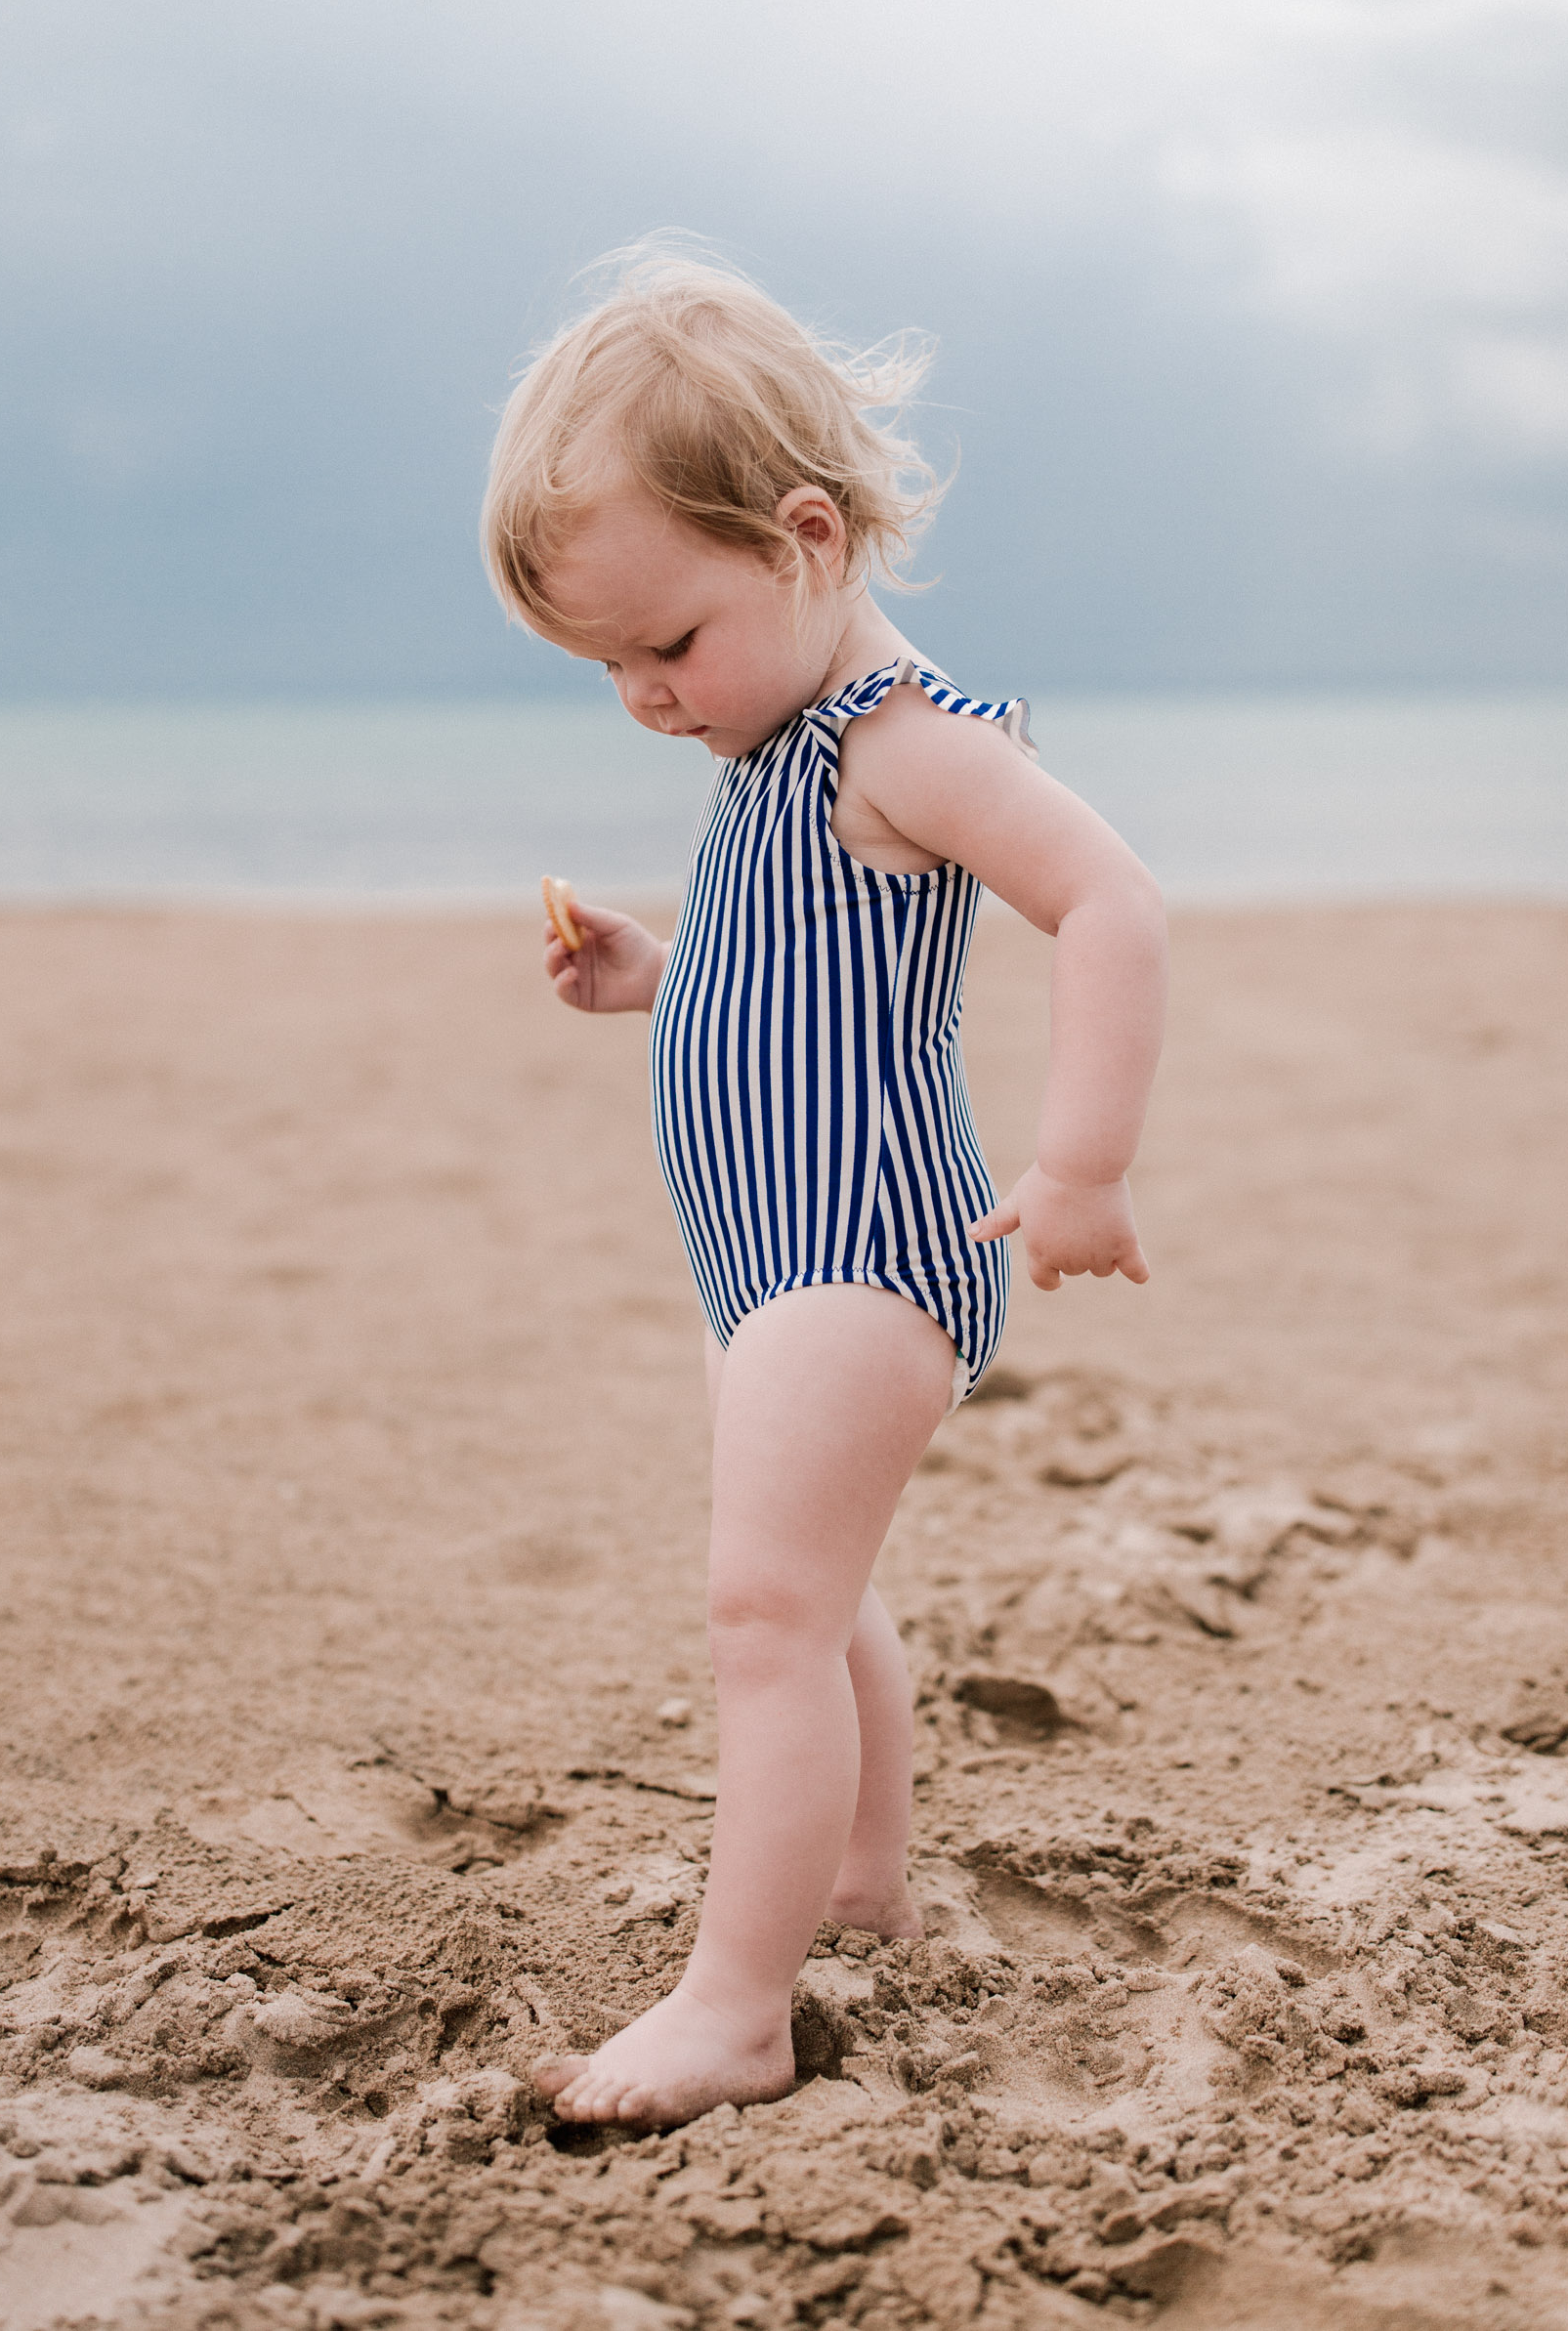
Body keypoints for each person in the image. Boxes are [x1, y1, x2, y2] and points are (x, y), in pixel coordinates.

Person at [481, 248, 1168, 2128]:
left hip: (864, 1253)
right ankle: (858, 1880)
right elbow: (794, 972)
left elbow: (1109, 901)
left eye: (665, 643)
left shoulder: (908, 746)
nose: (640, 694)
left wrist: (1083, 1165)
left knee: (763, 1613)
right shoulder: (774, 743)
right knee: (821, 1588)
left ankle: (736, 2004)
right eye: (606, 666)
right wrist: (652, 974)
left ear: (801, 538)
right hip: (766, 1254)